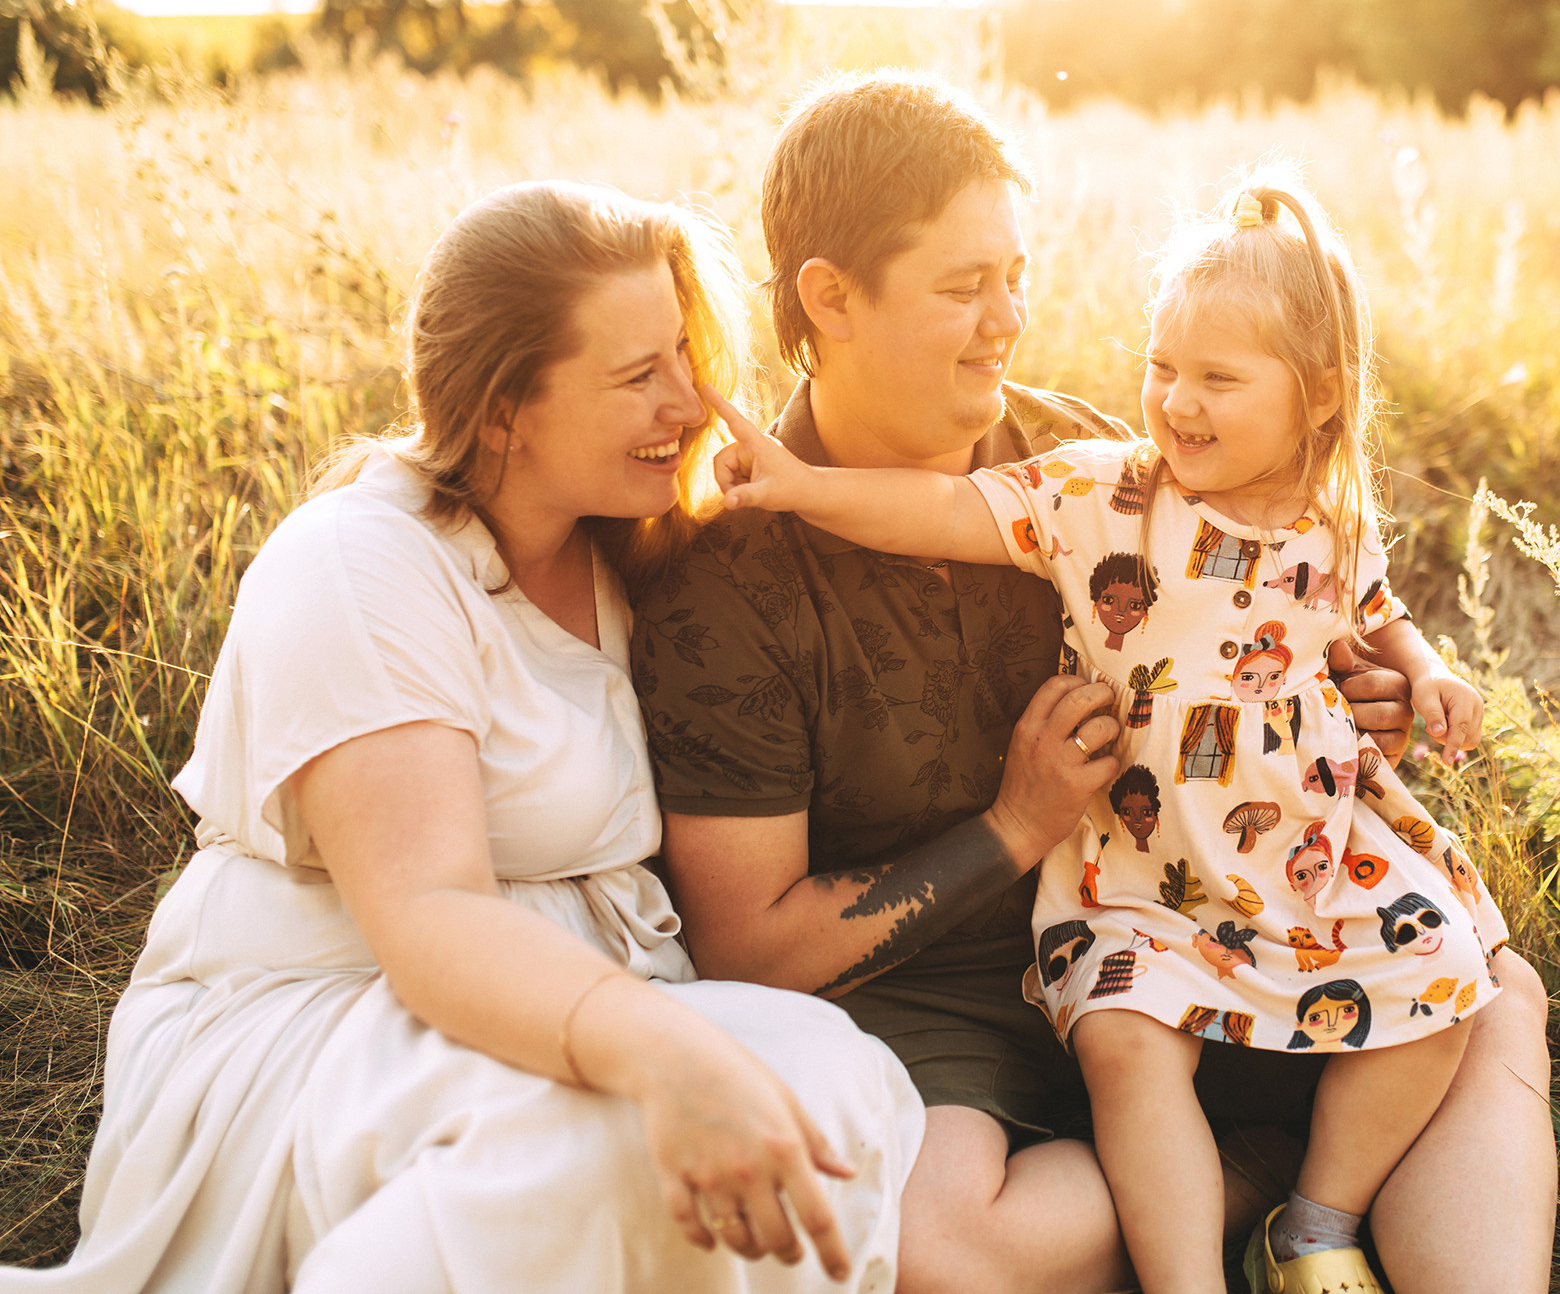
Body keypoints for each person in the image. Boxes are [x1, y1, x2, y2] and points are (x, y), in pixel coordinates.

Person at [634, 71, 1557, 1294]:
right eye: (964, 289)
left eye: (1014, 276)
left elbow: (1282, 621)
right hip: (946, 992)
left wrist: (1364, 699)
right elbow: (750, 952)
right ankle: (1265, 1171)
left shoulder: (1102, 458)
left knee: (1484, 992)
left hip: (1201, 901)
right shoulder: (733, 576)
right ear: (830, 297)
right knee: (937, 1246)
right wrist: (1012, 828)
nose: (1006, 319)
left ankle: (1311, 1200)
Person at [0, 180, 924, 1294]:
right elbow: (428, 911)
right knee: (601, 1148)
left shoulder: (628, 555)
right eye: (638, 376)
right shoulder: (360, 562)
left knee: (831, 1079)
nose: (688, 401)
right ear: (500, 410)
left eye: (683, 355)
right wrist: (664, 1053)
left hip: (580, 998)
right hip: (335, 1006)